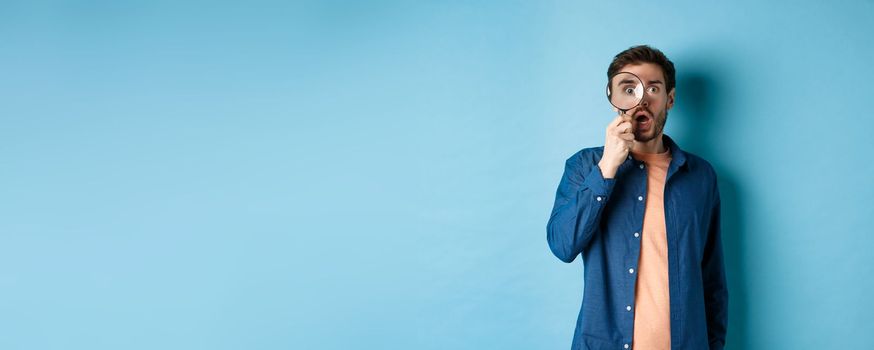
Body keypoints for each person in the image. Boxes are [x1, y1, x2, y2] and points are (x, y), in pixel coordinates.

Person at [546, 45, 728, 350]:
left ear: (669, 99)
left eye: (653, 88)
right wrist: (607, 168)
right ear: (614, 99)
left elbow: (712, 279)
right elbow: (563, 245)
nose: (641, 98)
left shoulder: (701, 176)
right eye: (629, 88)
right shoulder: (585, 167)